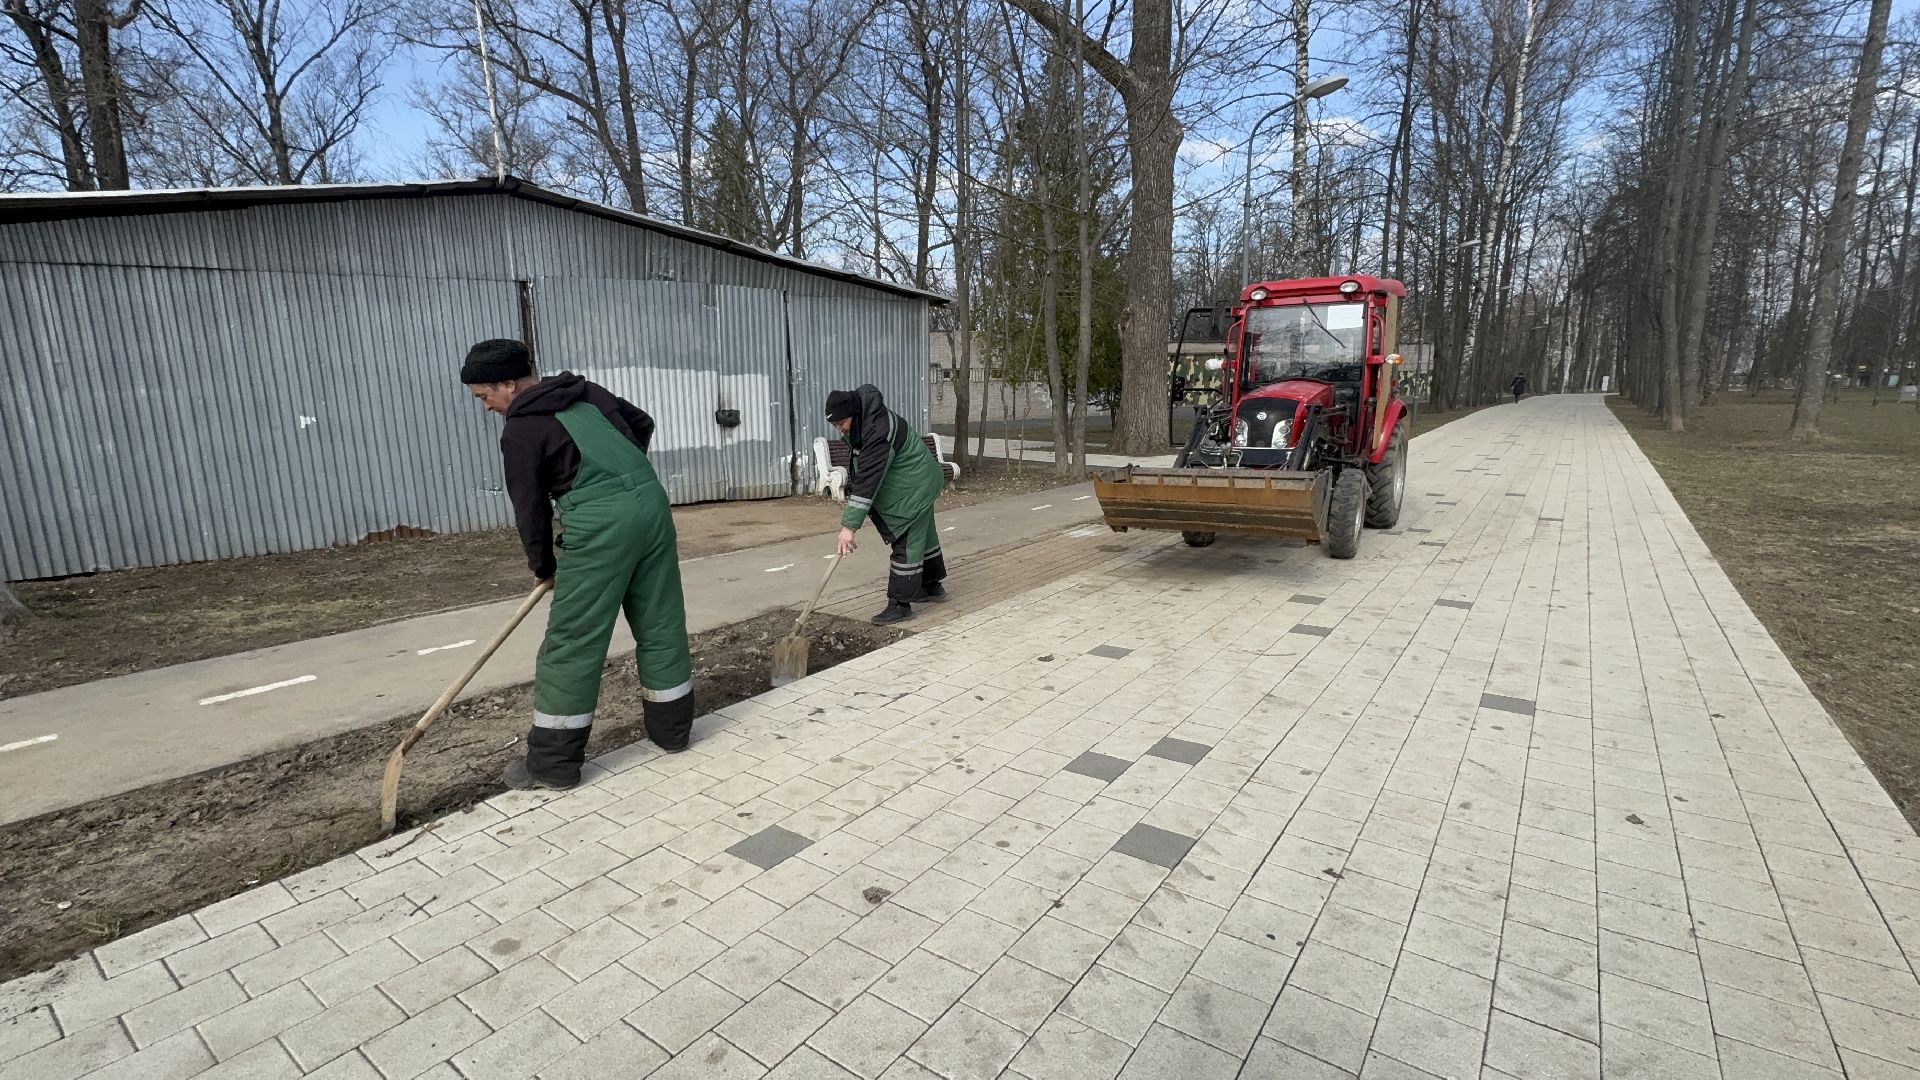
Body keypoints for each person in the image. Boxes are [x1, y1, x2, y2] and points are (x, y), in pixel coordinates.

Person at [461, 339, 693, 790]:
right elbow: (641, 422)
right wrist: (624, 477)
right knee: (660, 619)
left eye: (484, 396)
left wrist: (544, 564)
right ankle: (673, 733)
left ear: (509, 384)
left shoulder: (521, 431)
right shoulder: (587, 392)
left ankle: (552, 765)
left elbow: (529, 509)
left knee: (573, 638)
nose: (486, 407)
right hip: (651, 504)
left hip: (600, 523)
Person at [827, 384, 948, 625]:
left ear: (854, 413)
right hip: (921, 480)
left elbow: (869, 478)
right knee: (925, 536)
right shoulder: (867, 420)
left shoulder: (878, 430)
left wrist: (849, 527)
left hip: (916, 487)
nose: (839, 429)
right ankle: (931, 586)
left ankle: (900, 604)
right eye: (835, 425)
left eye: (841, 423)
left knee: (907, 541)